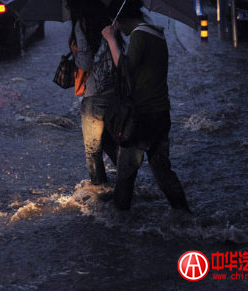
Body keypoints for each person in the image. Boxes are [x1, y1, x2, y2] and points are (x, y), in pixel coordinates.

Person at [101, 0, 191, 212]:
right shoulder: (156, 33)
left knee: (126, 173)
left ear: (123, 19)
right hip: (161, 114)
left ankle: (120, 224)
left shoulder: (140, 34)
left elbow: (125, 69)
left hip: (142, 116)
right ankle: (184, 214)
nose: (120, 29)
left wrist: (111, 40)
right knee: (162, 171)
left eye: (119, 25)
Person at [66, 0, 119, 194]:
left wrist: (75, 52)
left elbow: (85, 63)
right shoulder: (109, 22)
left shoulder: (82, 25)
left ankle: (99, 191)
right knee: (109, 140)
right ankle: (126, 180)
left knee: (93, 150)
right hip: (114, 92)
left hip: (94, 94)